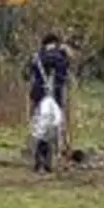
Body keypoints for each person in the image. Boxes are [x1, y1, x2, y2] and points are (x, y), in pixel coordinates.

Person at [27, 34, 71, 173]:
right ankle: (47, 159)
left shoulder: (36, 57)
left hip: (38, 95)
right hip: (55, 96)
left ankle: (38, 158)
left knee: (40, 126)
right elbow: (64, 76)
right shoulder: (61, 57)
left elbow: (26, 74)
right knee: (52, 127)